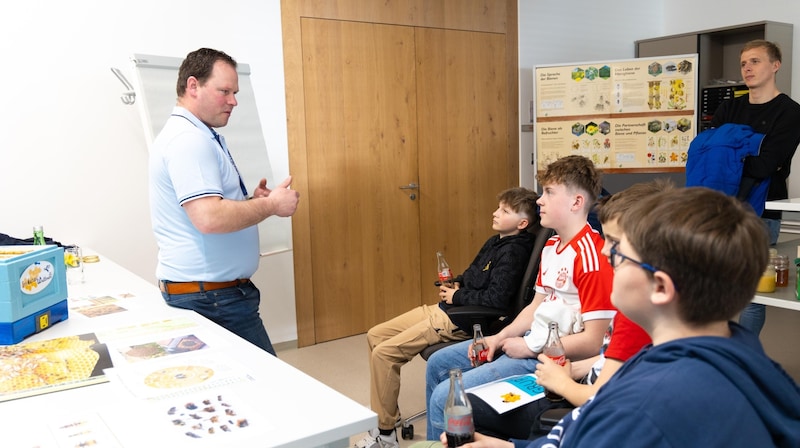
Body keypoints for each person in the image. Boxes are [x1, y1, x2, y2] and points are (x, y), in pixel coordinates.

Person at [437, 187, 800, 448]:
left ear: (659, 287)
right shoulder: (730, 347)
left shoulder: (642, 412)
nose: (607, 256)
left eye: (619, 253)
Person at [424, 155, 615, 440]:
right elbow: (535, 307)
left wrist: (527, 347)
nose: (539, 200)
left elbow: (593, 341)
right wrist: (499, 338)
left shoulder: (590, 257)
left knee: (443, 397)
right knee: (438, 364)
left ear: (576, 203)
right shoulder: (551, 244)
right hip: (531, 341)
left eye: (549, 193)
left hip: (548, 359)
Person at [465, 180, 670, 440]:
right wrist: (570, 371)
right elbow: (614, 361)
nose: (605, 250)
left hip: (578, 394)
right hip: (569, 372)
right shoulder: (551, 247)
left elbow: (603, 388)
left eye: (615, 243)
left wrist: (561, 379)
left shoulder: (636, 313)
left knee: (459, 403)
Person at [355, 188, 538, 448]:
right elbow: (472, 274)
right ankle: (388, 415)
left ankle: (384, 435)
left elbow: (496, 300)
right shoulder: (494, 242)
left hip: (459, 320)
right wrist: (456, 284)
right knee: (375, 335)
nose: (495, 213)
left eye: (504, 211)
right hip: (446, 308)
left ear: (522, 223)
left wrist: (458, 296)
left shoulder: (514, 252)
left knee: (384, 354)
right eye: (498, 207)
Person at [149, 48, 300, 356]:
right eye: (224, 91)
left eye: (235, 92)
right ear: (193, 86)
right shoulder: (188, 140)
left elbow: (210, 207)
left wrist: (249, 202)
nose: (233, 101)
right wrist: (271, 206)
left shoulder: (198, 134)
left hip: (213, 296)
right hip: (212, 299)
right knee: (269, 386)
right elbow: (209, 218)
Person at [709, 39, 800, 335]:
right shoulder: (728, 107)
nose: (747, 68)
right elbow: (709, 153)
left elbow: (768, 164)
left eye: (755, 61)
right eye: (744, 63)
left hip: (761, 212)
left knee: (751, 293)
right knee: (713, 285)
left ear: (776, 66)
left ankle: (744, 357)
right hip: (719, 208)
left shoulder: (789, 113)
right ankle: (715, 352)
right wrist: (746, 154)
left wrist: (730, 158)